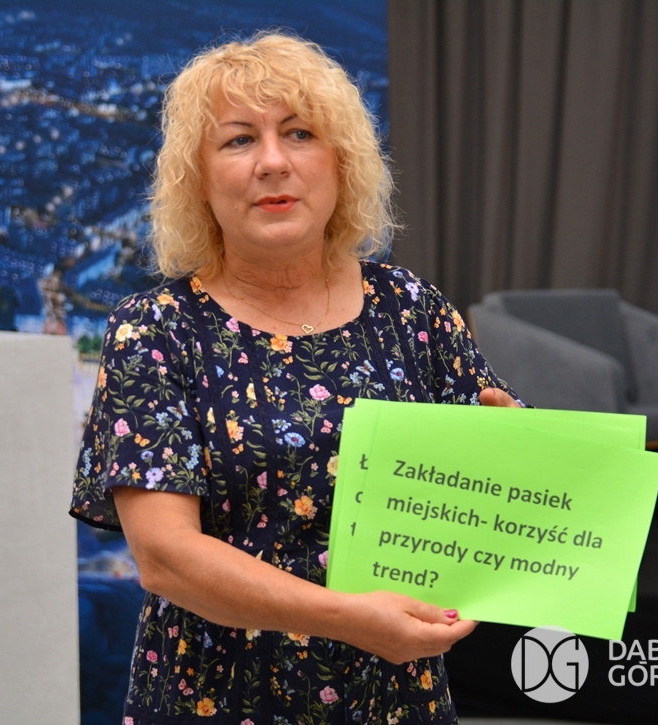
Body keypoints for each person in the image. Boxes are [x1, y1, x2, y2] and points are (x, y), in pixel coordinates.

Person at [70, 31, 522, 725]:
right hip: (215, 703)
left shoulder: (413, 309)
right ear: (198, 179)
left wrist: (513, 453)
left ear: (342, 163)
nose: (273, 162)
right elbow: (166, 558)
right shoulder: (154, 330)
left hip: (396, 700)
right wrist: (349, 617)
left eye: (300, 133)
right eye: (238, 140)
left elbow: (487, 494)